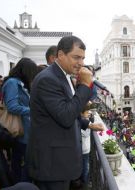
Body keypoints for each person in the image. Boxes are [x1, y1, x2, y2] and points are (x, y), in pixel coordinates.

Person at [27, 35, 103, 190]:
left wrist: (87, 124)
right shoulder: (48, 79)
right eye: (76, 57)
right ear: (60, 55)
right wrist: (84, 85)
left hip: (60, 162)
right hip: (52, 165)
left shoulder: (62, 76)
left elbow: (67, 111)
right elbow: (66, 116)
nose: (81, 63)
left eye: (82, 58)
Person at [2, 58, 38, 183]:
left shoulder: (18, 82)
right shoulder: (12, 83)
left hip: (24, 129)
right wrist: (32, 110)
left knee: (20, 161)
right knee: (23, 163)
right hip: (21, 130)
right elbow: (11, 106)